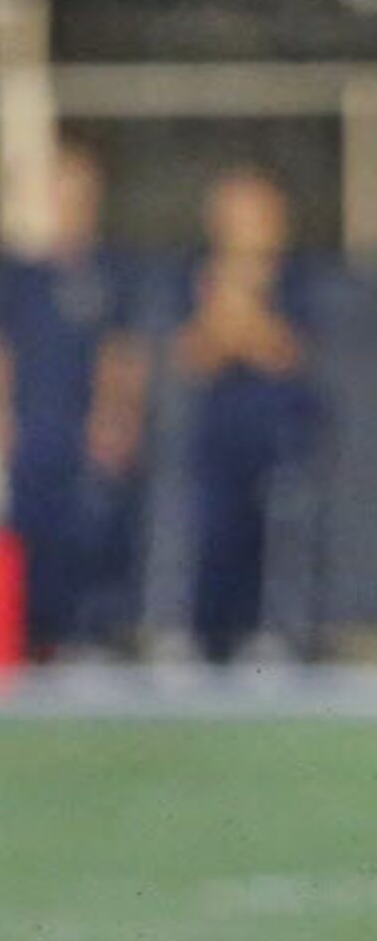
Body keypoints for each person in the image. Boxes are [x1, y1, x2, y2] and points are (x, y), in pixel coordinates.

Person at [0, 140, 152, 660]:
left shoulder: (109, 273)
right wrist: (0, 419)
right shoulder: (17, 274)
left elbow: (123, 353)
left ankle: (93, 635)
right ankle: (35, 640)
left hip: (86, 429)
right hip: (34, 425)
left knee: (95, 530)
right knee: (29, 534)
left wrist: (116, 418)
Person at [175, 167, 319, 664]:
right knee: (216, 537)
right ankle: (209, 640)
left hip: (280, 436)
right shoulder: (195, 273)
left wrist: (240, 319)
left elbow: (284, 350)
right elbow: (196, 351)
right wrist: (234, 323)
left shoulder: (297, 278)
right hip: (218, 438)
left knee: (282, 540)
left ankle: (276, 637)